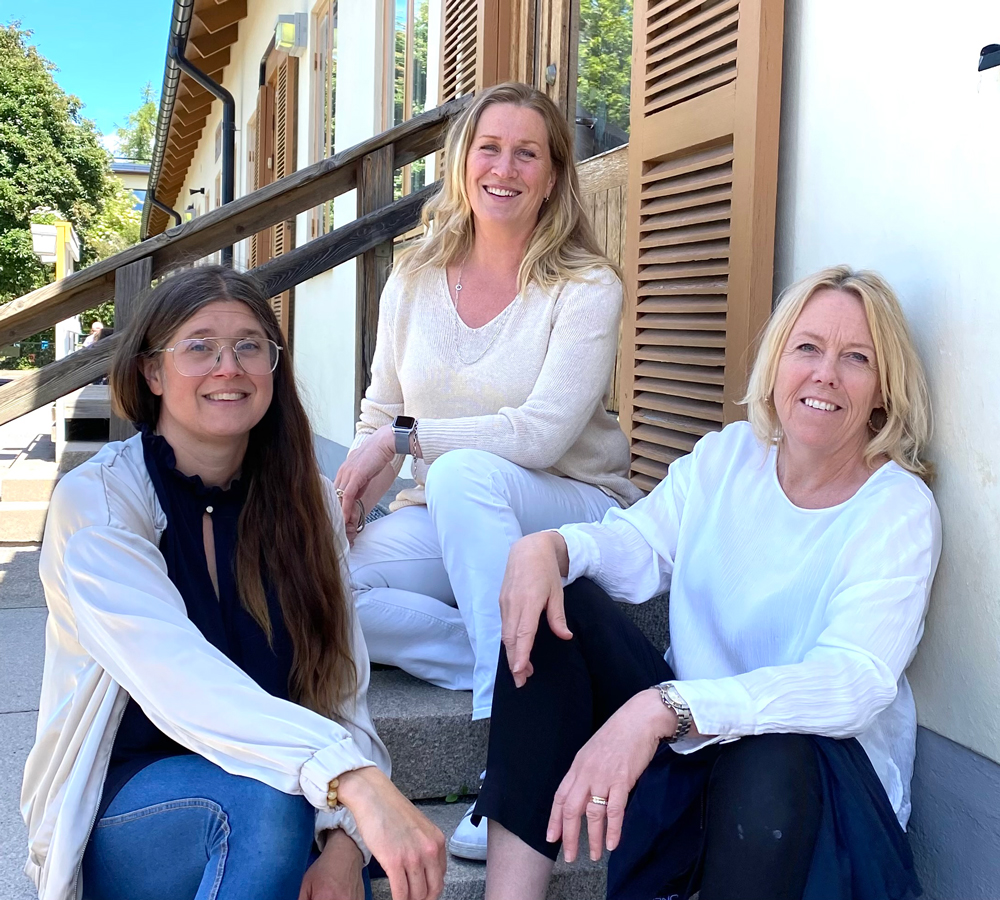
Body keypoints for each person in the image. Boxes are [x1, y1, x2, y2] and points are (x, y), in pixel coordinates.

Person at [478, 266, 941, 900]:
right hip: (693, 745)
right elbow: (639, 545)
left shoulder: (898, 509)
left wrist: (666, 707)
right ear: (777, 362)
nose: (825, 373)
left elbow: (853, 682)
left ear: (884, 390)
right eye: (807, 347)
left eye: (855, 357)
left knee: (772, 749)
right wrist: (554, 547)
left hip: (812, 792)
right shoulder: (729, 456)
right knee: (565, 609)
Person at [21, 267, 446, 900]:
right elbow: (182, 679)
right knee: (264, 805)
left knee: (277, 808)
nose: (229, 367)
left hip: (287, 794)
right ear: (152, 373)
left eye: (250, 346)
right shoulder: (100, 508)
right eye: (199, 347)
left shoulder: (308, 507)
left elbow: (340, 688)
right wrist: (350, 779)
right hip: (133, 812)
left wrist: (343, 843)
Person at [333, 82, 642, 860]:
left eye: (527, 153)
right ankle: (513, 659)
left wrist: (400, 445)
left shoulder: (585, 287)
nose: (504, 168)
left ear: (552, 174)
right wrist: (348, 505)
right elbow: (379, 416)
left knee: (466, 471)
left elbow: (536, 435)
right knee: (328, 587)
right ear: (462, 161)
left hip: (573, 508)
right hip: (457, 516)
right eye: (489, 148)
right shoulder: (411, 279)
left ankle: (506, 754)